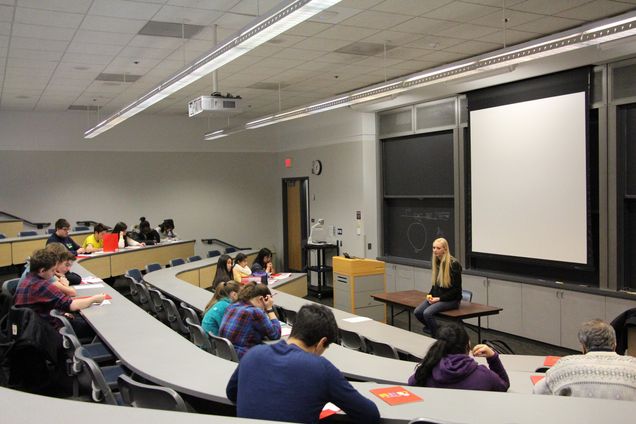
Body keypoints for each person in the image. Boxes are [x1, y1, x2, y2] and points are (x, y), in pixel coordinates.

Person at [227, 304, 380, 424]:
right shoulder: (321, 369)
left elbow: (231, 393)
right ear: (321, 343)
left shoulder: (253, 354)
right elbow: (370, 415)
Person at [533, 319, 636, 400]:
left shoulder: (564, 365)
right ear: (614, 345)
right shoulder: (633, 365)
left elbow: (537, 392)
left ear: (583, 347)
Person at [13, 249, 105, 337]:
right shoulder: (42, 285)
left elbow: (42, 306)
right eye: (52, 270)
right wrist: (94, 299)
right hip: (47, 331)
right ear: (42, 270)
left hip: (34, 325)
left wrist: (61, 313)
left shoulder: (28, 279)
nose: (54, 274)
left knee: (80, 317)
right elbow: (72, 305)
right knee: (96, 325)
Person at [408, 322, 509, 392]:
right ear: (467, 347)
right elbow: (504, 385)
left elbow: (412, 383)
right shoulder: (485, 375)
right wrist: (493, 357)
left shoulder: (428, 370)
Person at [414, 237, 462, 337]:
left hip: (451, 300)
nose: (435, 250)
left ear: (445, 249)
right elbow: (435, 285)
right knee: (418, 312)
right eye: (433, 248)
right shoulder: (436, 262)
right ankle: (436, 329)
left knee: (427, 313)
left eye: (438, 248)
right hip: (438, 298)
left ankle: (437, 335)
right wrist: (430, 295)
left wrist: (439, 299)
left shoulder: (454, 264)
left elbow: (456, 290)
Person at [219, 283, 281, 358]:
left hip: (227, 355)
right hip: (244, 357)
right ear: (261, 299)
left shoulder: (232, 306)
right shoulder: (255, 312)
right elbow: (275, 334)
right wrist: (269, 308)